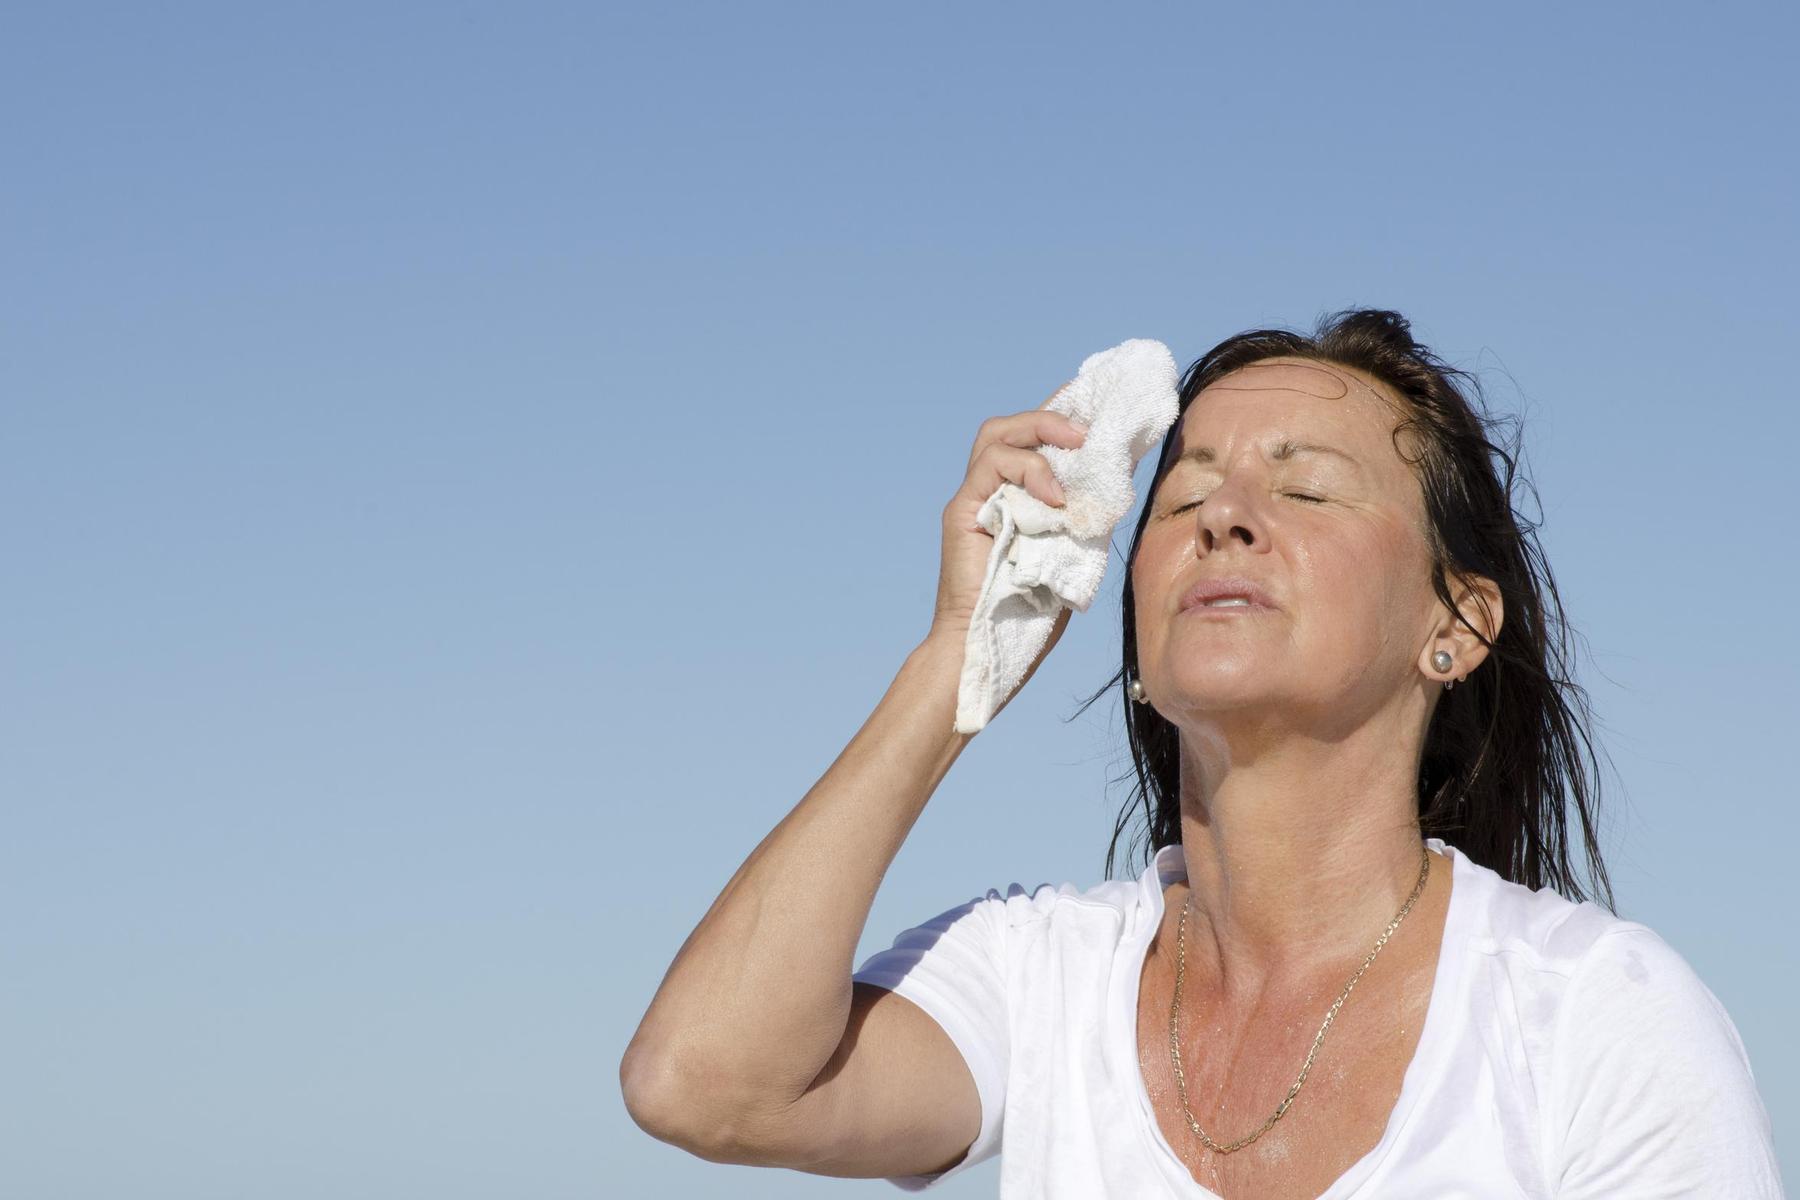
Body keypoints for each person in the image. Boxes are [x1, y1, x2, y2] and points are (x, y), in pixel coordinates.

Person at [619, 308, 1785, 1197]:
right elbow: (705, 1083)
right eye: (1182, 497)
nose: (1225, 515)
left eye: (1306, 489)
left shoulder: (1592, 1017)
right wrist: (955, 664)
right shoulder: (1042, 978)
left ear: (1457, 625)